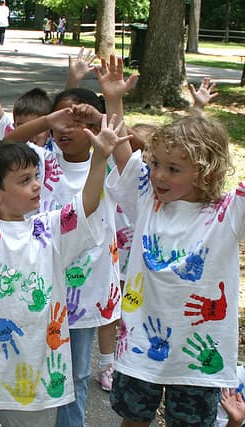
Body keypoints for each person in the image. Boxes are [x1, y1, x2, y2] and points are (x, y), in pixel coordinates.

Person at [0, 103, 129, 426]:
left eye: (36, 176)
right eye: (25, 180)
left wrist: (101, 157)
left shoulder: (48, 229)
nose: (37, 184)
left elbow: (85, 205)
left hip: (34, 367)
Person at [98, 55, 244, 427]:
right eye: (156, 163)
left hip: (197, 356)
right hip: (139, 349)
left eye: (173, 168)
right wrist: (113, 99)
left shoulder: (227, 214)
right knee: (132, 420)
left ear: (206, 170)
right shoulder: (148, 198)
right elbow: (120, 151)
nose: (159, 174)